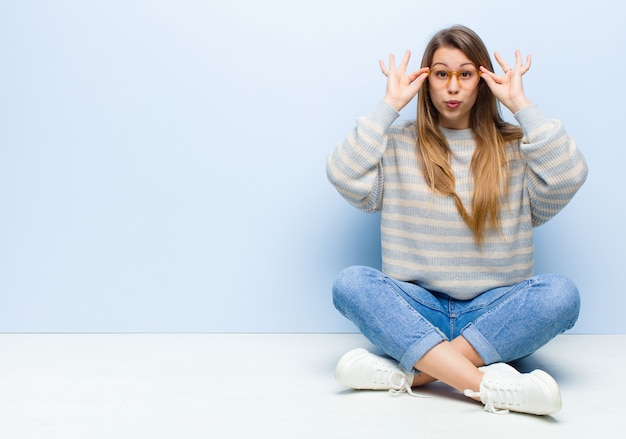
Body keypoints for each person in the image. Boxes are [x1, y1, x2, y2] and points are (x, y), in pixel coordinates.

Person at [326, 25, 587, 415]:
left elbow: (569, 175)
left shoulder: (517, 146)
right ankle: (484, 385)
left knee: (561, 295)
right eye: (441, 74)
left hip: (492, 314)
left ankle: (414, 375)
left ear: (482, 80)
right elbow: (343, 174)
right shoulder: (397, 143)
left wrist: (521, 104)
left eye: (465, 74)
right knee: (350, 284)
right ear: (426, 80)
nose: (453, 87)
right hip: (417, 309)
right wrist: (388, 106)